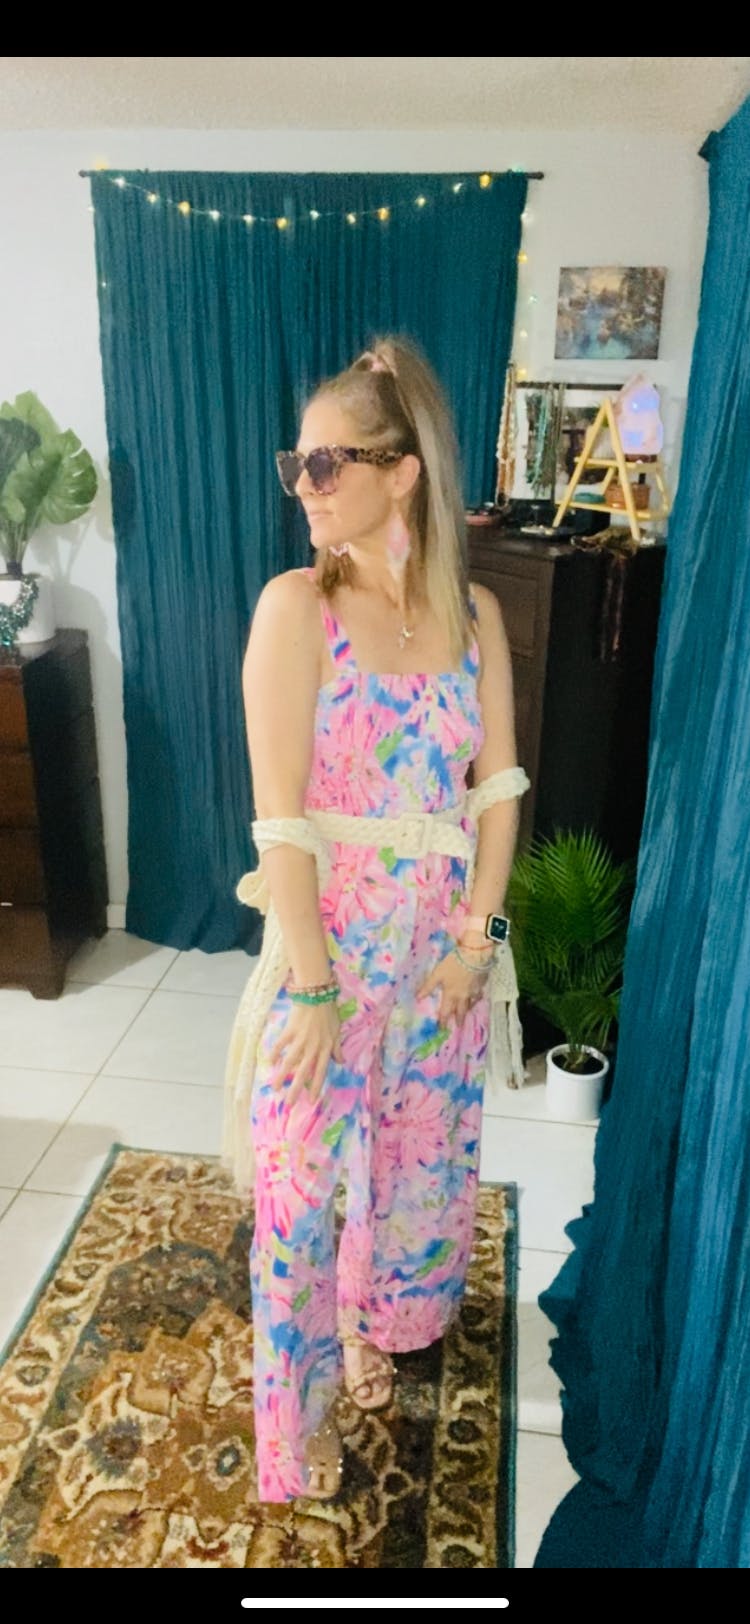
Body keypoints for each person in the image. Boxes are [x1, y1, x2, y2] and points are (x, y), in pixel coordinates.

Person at [223, 335, 529, 1502]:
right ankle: (293, 1421)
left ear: (402, 472)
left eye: (325, 463)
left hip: (441, 956)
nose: (302, 485)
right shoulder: (296, 610)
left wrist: (478, 941)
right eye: (295, 464)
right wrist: (309, 984)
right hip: (330, 950)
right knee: (297, 1197)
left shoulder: (477, 617)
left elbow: (499, 793)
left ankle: (369, 1321)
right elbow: (280, 818)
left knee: (412, 1182)